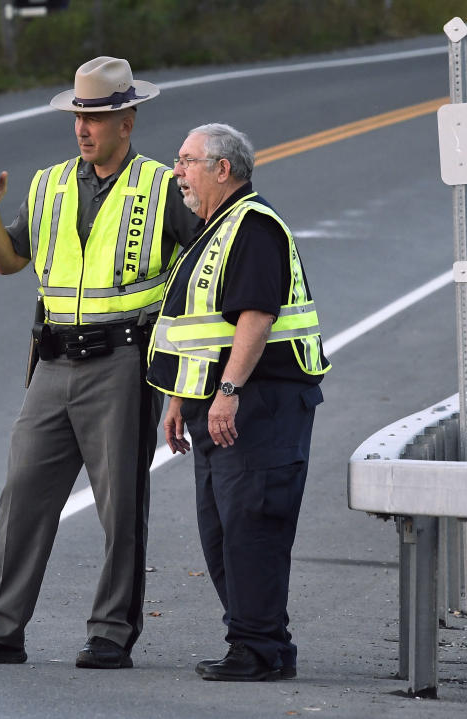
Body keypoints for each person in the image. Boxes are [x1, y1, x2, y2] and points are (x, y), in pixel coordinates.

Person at [0, 57, 197, 669]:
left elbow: (206, 261)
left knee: (119, 505)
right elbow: (10, 262)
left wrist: (185, 361)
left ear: (127, 121)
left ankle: (111, 634)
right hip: (52, 364)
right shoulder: (50, 182)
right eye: (79, 116)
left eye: (97, 118)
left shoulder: (162, 185)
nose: (83, 129)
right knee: (22, 494)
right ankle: (1, 631)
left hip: (124, 361)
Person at [146, 123, 330, 681]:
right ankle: (254, 641)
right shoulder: (213, 229)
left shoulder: (252, 226)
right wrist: (180, 400)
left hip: (259, 405)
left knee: (253, 527)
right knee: (223, 530)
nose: (176, 171)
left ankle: (260, 650)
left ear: (222, 168)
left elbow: (255, 317)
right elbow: (200, 329)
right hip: (217, 405)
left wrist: (227, 394)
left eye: (186, 161)